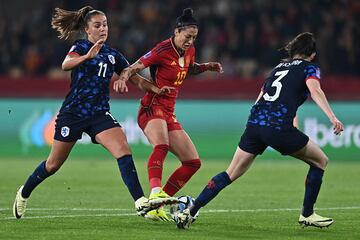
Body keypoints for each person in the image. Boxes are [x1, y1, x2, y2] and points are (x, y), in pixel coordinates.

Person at [12, 6, 174, 219]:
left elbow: (135, 78)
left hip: (99, 114)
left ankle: (140, 202)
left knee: (123, 149)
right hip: (73, 113)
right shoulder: (80, 46)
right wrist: (87, 56)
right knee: (53, 165)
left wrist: (156, 89)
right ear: (87, 30)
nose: (102, 29)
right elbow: (65, 64)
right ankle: (24, 193)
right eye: (97, 25)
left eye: (105, 24)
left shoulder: (113, 56)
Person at [175, 32, 344, 229]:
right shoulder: (310, 68)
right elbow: (315, 91)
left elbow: (263, 97)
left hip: (255, 123)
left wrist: (259, 125)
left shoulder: (278, 68)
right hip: (278, 127)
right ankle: (307, 214)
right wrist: (332, 117)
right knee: (321, 161)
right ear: (312, 54)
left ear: (294, 50)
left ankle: (191, 210)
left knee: (230, 173)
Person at [113, 8, 223, 221]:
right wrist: (122, 78)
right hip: (151, 107)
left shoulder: (189, 51)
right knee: (161, 145)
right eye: (187, 36)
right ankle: (155, 192)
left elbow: (188, 69)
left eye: (194, 37)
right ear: (176, 31)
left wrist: (206, 67)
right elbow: (134, 67)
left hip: (169, 112)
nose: (190, 41)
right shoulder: (162, 49)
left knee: (192, 162)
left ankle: (157, 205)